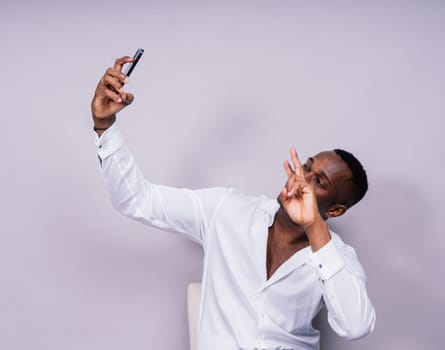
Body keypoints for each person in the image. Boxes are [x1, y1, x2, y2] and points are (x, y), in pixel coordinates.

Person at [91, 56, 376, 350]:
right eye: (306, 167)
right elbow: (137, 200)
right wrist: (104, 124)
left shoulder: (337, 256)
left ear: (336, 210)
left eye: (319, 182)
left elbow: (355, 326)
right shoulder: (226, 210)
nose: (302, 179)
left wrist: (315, 228)